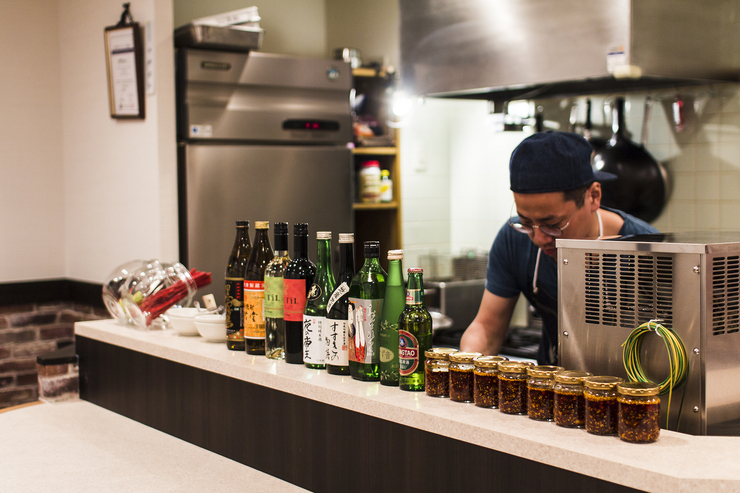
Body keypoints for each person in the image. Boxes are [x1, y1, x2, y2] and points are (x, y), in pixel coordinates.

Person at [459, 130, 659, 365]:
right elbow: (486, 328)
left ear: (593, 196)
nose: (538, 238)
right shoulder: (514, 239)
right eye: (525, 223)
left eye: (552, 225)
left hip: (629, 394)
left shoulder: (649, 251)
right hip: (553, 391)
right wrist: (466, 367)